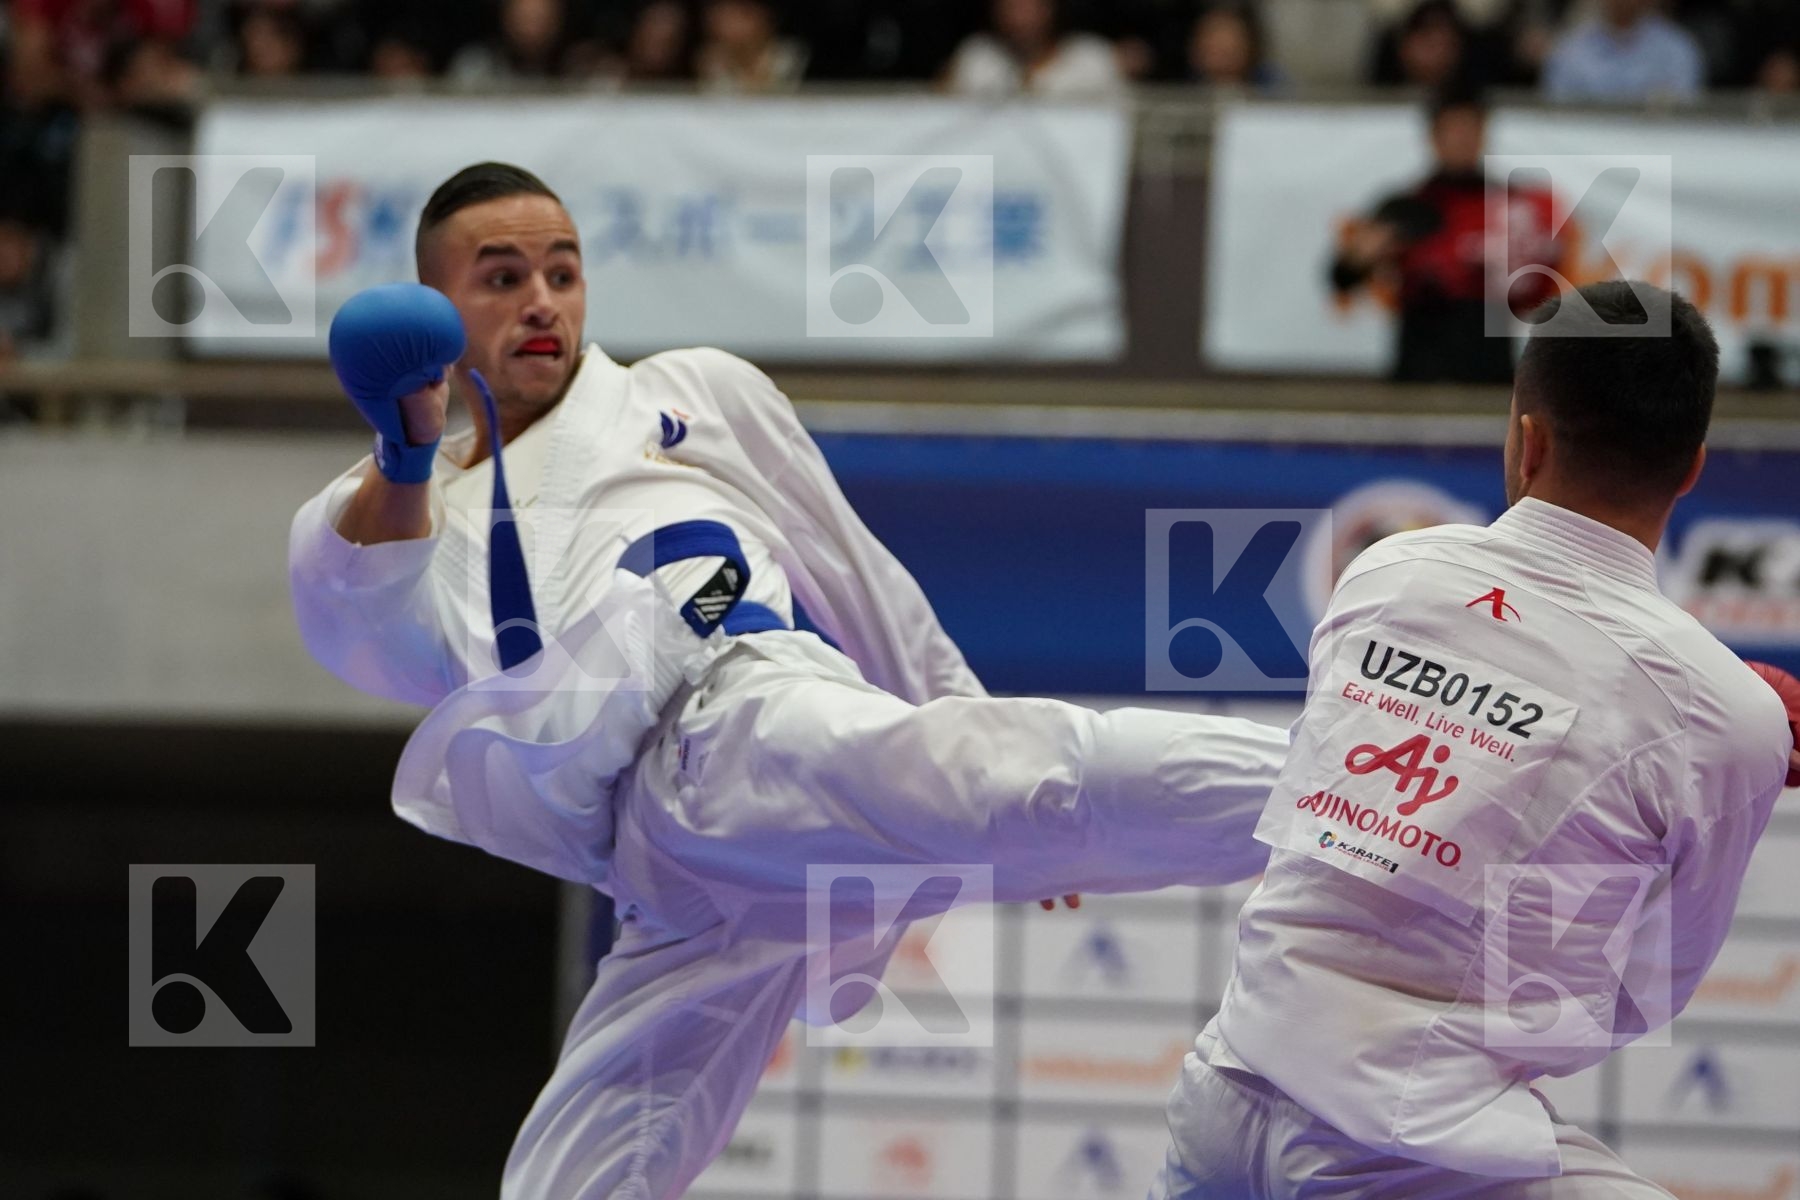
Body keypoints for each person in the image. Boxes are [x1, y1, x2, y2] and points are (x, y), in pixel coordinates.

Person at [288, 162, 1290, 1199]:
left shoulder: (692, 393)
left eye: (563, 271)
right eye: (500, 280)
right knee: (579, 1165)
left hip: (738, 710)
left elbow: (856, 573)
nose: (542, 300)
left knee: (1024, 769)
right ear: (438, 309)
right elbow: (353, 604)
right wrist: (405, 451)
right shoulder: (415, 507)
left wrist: (980, 739)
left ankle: (1341, 786)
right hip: (654, 859)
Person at [1153, 280, 1800, 1199]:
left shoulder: (1387, 572)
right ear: (1692, 467)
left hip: (1223, 1095)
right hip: (1419, 1147)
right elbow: (1642, 993)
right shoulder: (1726, 718)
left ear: (1526, 438)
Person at [1330, 86, 1560, 384]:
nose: (1462, 139)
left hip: (1488, 368)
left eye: (1471, 128)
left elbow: (1536, 292)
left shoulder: (1511, 207)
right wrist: (1359, 257)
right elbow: (1342, 278)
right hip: (1420, 366)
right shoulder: (1407, 207)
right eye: (1453, 129)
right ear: (1434, 137)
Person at [944, 0, 1126, 98]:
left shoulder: (1093, 58)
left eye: (1030, 5)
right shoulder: (976, 57)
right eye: (1010, 6)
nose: (1019, 18)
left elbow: (1120, 126)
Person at [1542, 0, 1703, 103]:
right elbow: (1557, 113)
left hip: (1656, 147)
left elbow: (1684, 114)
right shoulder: (1570, 49)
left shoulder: (1678, 49)